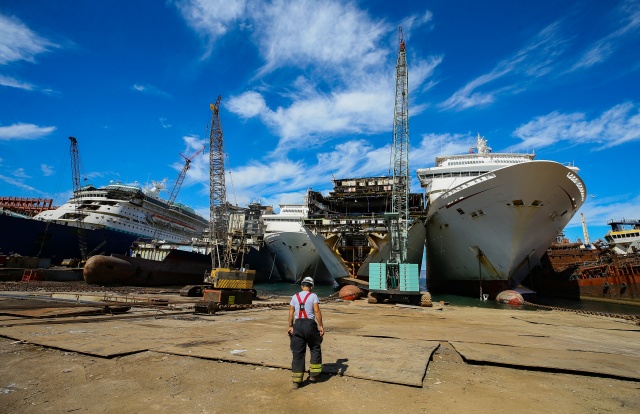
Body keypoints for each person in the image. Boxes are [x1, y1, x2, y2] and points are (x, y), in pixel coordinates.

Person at [288, 276, 324, 389]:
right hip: (309, 324)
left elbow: (291, 313)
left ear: (301, 286)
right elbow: (317, 311)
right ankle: (314, 375)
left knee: (298, 352)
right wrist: (321, 325)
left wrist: (290, 326)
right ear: (311, 286)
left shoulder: (295, 296)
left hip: (297, 324)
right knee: (314, 347)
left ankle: (296, 381)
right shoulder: (313, 296)